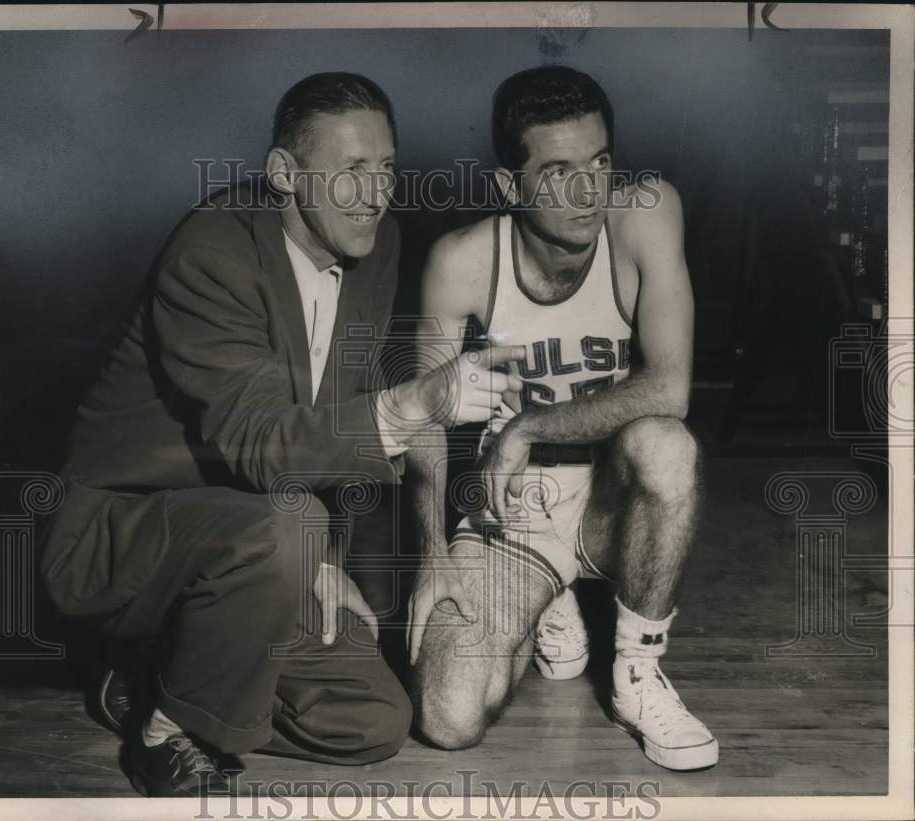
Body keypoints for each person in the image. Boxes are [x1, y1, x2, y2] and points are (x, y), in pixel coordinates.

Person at [40, 72, 524, 797]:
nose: (375, 192)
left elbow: (330, 410)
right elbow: (264, 441)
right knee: (283, 528)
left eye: (386, 167)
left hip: (261, 538)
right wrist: (410, 406)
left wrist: (323, 561)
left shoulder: (376, 243)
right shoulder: (213, 253)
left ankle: (149, 679)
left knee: (372, 721)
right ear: (284, 174)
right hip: (122, 537)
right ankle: (164, 731)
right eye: (351, 171)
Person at [406, 65, 718, 772]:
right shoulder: (459, 263)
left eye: (600, 162)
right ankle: (550, 597)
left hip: (613, 496)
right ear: (510, 186)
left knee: (667, 444)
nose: (590, 191)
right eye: (559, 172)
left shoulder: (646, 211)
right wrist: (432, 554)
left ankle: (636, 671)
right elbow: (424, 421)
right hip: (516, 509)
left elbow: (670, 387)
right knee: (450, 717)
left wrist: (526, 428)